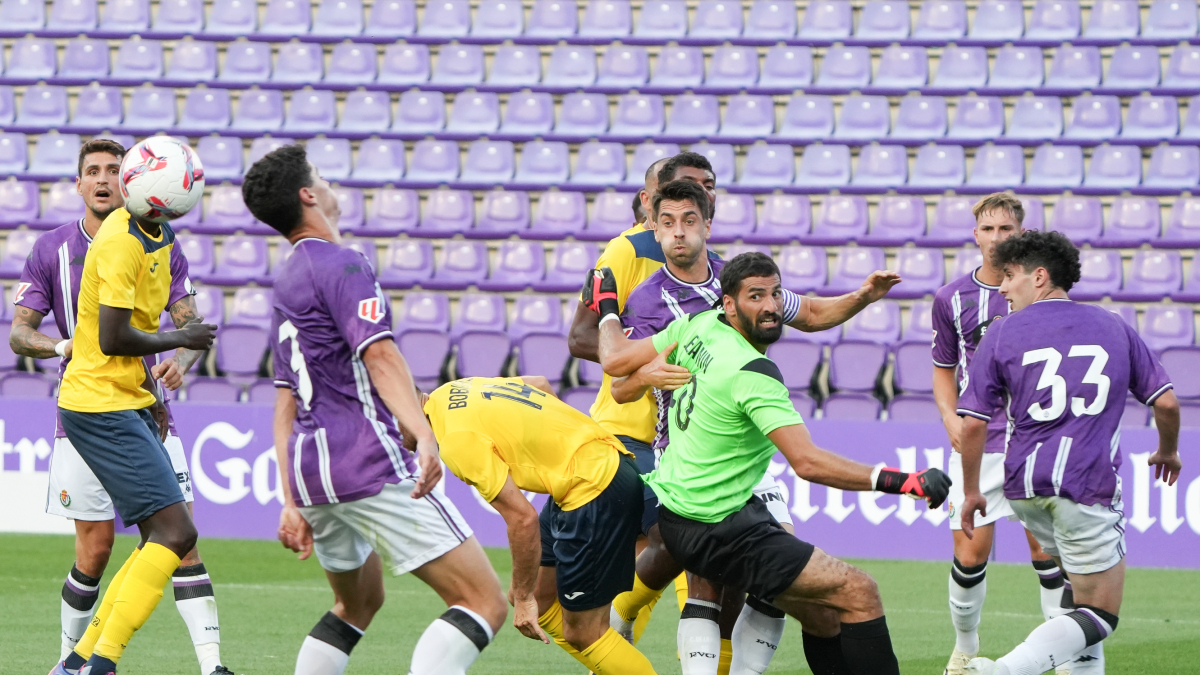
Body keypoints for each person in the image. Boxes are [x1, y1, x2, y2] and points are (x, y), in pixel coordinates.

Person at [593, 251, 953, 675]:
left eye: (775, 294)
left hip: (685, 511)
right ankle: (623, 619)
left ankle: (624, 617)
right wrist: (904, 481)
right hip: (718, 525)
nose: (769, 306)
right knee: (860, 591)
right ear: (730, 303)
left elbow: (619, 384)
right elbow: (808, 462)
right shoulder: (753, 372)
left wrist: (612, 323)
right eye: (755, 296)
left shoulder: (698, 325)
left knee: (820, 613)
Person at [242, 145, 508, 675]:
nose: (329, 181)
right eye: (320, 174)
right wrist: (423, 433)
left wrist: (291, 498)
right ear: (308, 195)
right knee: (483, 602)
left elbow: (284, 399)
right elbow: (380, 355)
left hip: (312, 471)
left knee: (357, 604)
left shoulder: (287, 278)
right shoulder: (344, 263)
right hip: (366, 460)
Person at [11, 140, 229, 675]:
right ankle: (80, 660)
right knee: (101, 547)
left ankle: (202, 665)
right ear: (80, 183)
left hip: (138, 399)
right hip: (93, 402)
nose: (105, 178)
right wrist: (65, 347)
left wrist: (181, 351)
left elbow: (183, 316)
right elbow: (40, 335)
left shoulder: (157, 232)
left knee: (176, 537)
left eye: (114, 168)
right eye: (94, 171)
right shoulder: (68, 248)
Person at [956, 231, 1181, 675]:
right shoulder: (1113, 325)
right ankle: (1000, 670)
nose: (1002, 288)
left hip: (1024, 487)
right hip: (1086, 485)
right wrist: (1168, 452)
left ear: (1039, 277)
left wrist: (970, 492)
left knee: (1078, 600)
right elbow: (1167, 403)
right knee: (1100, 614)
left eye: (1010, 277)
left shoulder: (1000, 333)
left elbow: (973, 423)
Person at [421, 375, 656, 674]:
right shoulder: (453, 389)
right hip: (590, 472)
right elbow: (542, 384)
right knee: (539, 599)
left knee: (583, 631)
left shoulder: (455, 441)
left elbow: (522, 519)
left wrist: (521, 599)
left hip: (594, 486)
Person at [931, 193, 1062, 675]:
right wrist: (950, 419)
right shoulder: (951, 298)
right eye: (988, 230)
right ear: (975, 236)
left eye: (1006, 230)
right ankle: (965, 648)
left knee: (1046, 551)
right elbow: (943, 368)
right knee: (970, 553)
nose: (996, 239)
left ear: (1020, 235)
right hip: (979, 443)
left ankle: (1065, 654)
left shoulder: (1043, 292)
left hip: (1035, 440)